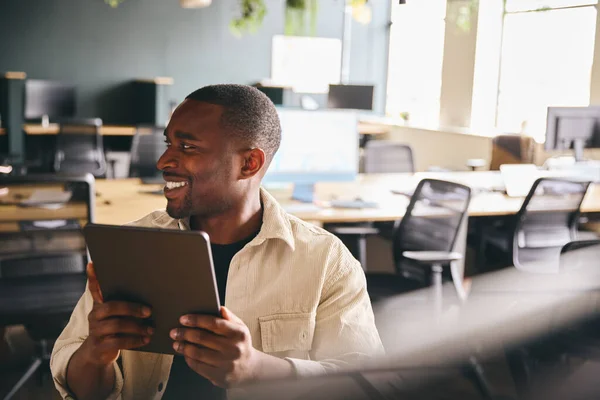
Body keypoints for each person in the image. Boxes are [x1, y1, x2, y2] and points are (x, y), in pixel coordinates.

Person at [50, 84, 384, 400]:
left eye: (187, 147)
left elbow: (364, 384)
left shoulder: (326, 262)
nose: (163, 162)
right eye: (168, 144)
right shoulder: (130, 247)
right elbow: (82, 389)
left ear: (248, 164)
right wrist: (95, 354)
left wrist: (256, 369)